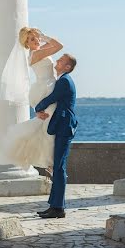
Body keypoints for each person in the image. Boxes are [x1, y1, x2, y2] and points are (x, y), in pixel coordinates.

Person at [1, 27, 64, 173]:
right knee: (47, 123)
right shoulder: (36, 53)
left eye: (36, 37)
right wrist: (44, 36)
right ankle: (50, 163)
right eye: (31, 39)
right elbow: (59, 46)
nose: (36, 40)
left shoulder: (39, 50)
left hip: (48, 85)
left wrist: (42, 37)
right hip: (45, 88)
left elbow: (56, 44)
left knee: (45, 123)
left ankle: (48, 161)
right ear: (26, 43)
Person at [34, 53, 77, 219]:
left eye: (60, 61)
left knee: (58, 168)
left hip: (64, 127)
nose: (57, 61)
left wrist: (37, 108)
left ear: (67, 67)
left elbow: (52, 98)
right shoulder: (64, 80)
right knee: (58, 168)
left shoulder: (64, 81)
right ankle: (55, 206)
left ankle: (58, 208)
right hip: (63, 126)